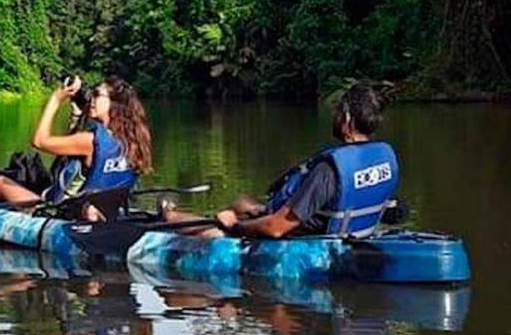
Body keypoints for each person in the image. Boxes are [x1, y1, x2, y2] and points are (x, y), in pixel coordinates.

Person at [163, 83, 399, 239]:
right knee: (243, 204)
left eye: (337, 112)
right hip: (344, 232)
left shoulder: (329, 171)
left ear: (347, 119)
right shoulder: (384, 158)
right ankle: (226, 213)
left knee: (219, 228)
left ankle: (170, 217)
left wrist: (235, 227)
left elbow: (276, 228)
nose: (334, 117)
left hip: (306, 239)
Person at [0, 75, 153, 215]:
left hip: (61, 215)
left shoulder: (90, 141)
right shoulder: (136, 141)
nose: (92, 98)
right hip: (108, 213)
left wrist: (55, 100)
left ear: (114, 104)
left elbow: (39, 141)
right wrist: (76, 117)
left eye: (97, 95)